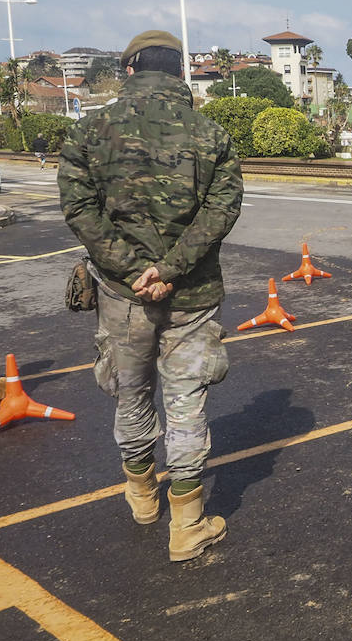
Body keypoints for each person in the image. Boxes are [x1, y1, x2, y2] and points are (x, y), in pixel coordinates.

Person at [58, 30, 243, 563]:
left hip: (121, 295)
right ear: (180, 72)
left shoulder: (90, 131)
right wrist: (169, 268)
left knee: (132, 393)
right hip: (191, 294)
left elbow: (79, 209)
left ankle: (142, 497)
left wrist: (133, 270)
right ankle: (187, 524)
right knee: (186, 404)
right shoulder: (211, 134)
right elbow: (222, 211)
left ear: (129, 70)